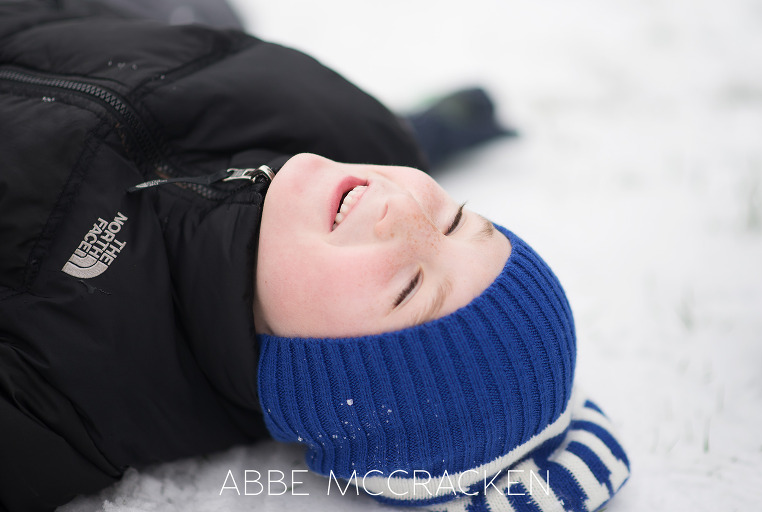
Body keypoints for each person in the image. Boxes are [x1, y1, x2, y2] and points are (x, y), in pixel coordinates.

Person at [0, 1, 629, 511]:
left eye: (408, 287)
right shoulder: (359, 132)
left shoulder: (68, 399)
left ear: (318, 379)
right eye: (456, 219)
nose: (404, 211)